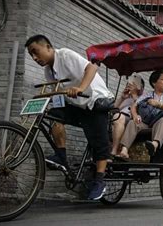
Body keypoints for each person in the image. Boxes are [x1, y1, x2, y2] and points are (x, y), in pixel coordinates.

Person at [25, 34, 113, 200]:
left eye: (36, 52)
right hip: (77, 105)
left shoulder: (65, 55)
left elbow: (92, 67)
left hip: (95, 101)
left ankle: (100, 181)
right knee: (53, 115)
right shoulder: (48, 71)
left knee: (99, 142)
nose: (35, 58)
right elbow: (58, 96)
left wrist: (80, 87)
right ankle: (61, 155)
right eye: (31, 55)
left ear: (48, 47)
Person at [118, 70, 163, 160]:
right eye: (162, 79)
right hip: (147, 122)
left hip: (161, 121)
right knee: (133, 122)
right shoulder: (148, 94)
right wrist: (135, 116)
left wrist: (158, 104)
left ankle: (154, 144)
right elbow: (134, 105)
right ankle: (124, 150)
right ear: (154, 83)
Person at [110, 74, 145, 157]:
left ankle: (114, 150)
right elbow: (112, 109)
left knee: (118, 117)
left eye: (133, 84)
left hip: (133, 120)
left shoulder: (143, 97)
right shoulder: (126, 97)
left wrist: (134, 96)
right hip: (118, 118)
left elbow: (142, 111)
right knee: (116, 117)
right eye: (129, 84)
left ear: (140, 87)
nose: (130, 86)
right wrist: (122, 98)